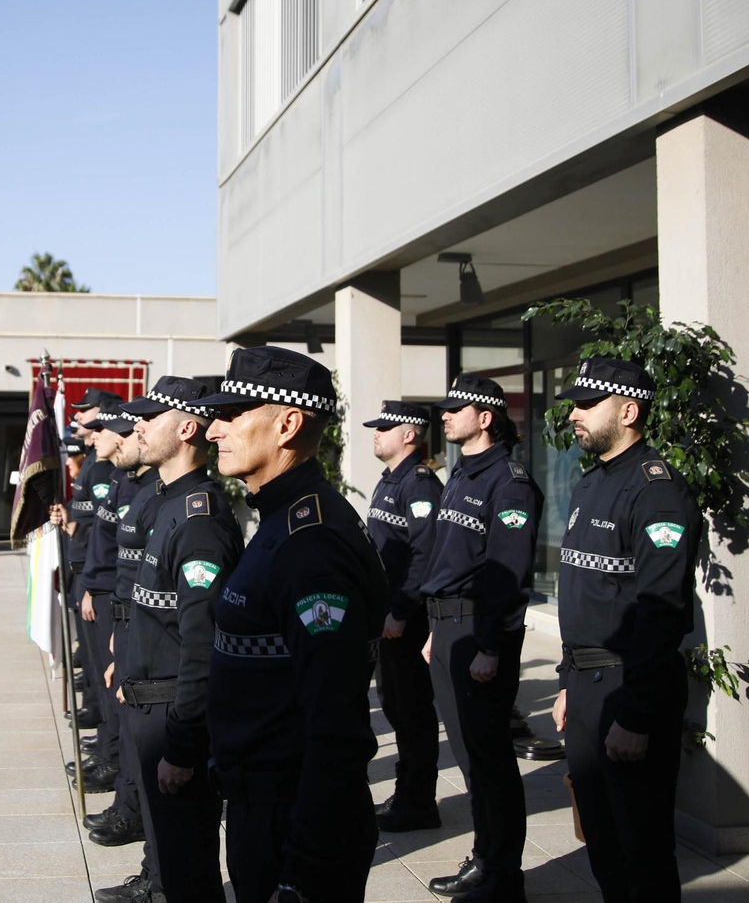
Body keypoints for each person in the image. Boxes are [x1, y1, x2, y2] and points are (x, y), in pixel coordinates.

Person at [200, 346, 389, 903]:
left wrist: (303, 869)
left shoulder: (311, 541)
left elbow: (335, 722)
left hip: (291, 820)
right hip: (263, 803)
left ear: (287, 424)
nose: (214, 430)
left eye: (233, 414)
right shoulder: (282, 519)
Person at [549, 358, 699, 903]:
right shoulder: (592, 485)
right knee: (603, 844)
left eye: (588, 404)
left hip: (628, 685)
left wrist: (636, 713)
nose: (575, 414)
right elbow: (587, 597)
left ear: (629, 410)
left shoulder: (656, 491)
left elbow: (660, 611)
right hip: (588, 687)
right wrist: (568, 679)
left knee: (642, 850)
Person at [98, 376, 244, 903]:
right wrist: (126, 664)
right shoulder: (165, 502)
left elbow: (201, 642)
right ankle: (156, 883)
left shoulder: (198, 515)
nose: (138, 424)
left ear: (186, 428)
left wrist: (183, 744)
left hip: (172, 710)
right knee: (169, 848)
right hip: (148, 697)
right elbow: (151, 607)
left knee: (189, 864)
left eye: (151, 416)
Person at [418, 377, 544, 900]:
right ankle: (485, 856)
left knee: (488, 758)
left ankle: (501, 873)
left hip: (478, 627)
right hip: (448, 626)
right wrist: (434, 629)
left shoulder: (508, 481)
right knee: (470, 756)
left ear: (485, 417)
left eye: (455, 410)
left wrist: (491, 645)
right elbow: (448, 557)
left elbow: (507, 573)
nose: (444, 417)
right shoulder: (460, 474)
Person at [359, 399, 445, 834]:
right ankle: (408, 791)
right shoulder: (390, 481)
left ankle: (418, 803)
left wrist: (399, 610)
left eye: (385, 427)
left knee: (411, 711)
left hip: (406, 621)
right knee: (395, 706)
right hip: (387, 617)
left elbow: (426, 555)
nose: (376, 433)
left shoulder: (421, 484)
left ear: (409, 434)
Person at [87, 403, 160, 860]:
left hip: (151, 638)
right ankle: (129, 807)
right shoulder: (140, 488)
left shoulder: (168, 497)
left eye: (144, 425)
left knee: (143, 743)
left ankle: (132, 813)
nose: (137, 431)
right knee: (131, 732)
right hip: (125, 618)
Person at [67, 400, 135, 794]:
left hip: (110, 593)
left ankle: (115, 762)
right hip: (97, 584)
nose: (95, 434)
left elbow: (113, 546)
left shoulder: (124, 478)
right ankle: (112, 753)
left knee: (116, 691)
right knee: (101, 675)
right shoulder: (109, 473)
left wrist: (95, 587)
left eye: (106, 428)